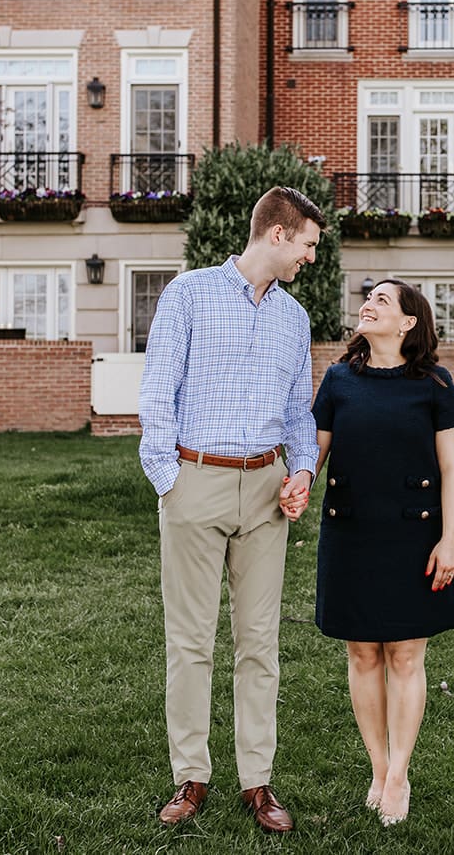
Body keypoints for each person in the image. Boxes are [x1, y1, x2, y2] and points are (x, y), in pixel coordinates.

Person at [137, 185, 326, 834]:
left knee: (260, 642)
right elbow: (158, 388)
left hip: (268, 491)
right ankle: (192, 774)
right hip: (196, 480)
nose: (310, 257)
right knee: (190, 641)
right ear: (277, 234)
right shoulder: (188, 294)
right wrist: (169, 479)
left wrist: (301, 470)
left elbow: (300, 411)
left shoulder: (294, 318)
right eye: (307, 244)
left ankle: (257, 780)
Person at [295, 278, 454, 828]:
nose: (368, 305)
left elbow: (452, 471)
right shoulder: (340, 379)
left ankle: (400, 773)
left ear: (408, 322)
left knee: (407, 657)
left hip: (415, 536)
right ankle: (377, 767)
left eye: (382, 301)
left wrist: (450, 540)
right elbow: (313, 453)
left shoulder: (435, 384)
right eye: (367, 299)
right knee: (363, 655)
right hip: (349, 536)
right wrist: (299, 483)